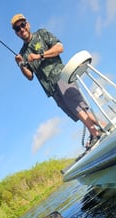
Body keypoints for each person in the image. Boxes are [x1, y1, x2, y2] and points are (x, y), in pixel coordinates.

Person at [11, 14, 104, 149]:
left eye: (22, 25)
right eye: (17, 28)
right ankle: (103, 126)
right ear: (16, 34)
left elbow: (60, 47)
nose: (21, 29)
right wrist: (21, 65)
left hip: (61, 76)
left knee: (77, 106)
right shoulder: (22, 53)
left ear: (28, 24)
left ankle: (95, 134)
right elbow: (30, 76)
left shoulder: (42, 34)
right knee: (75, 111)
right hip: (50, 88)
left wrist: (39, 55)